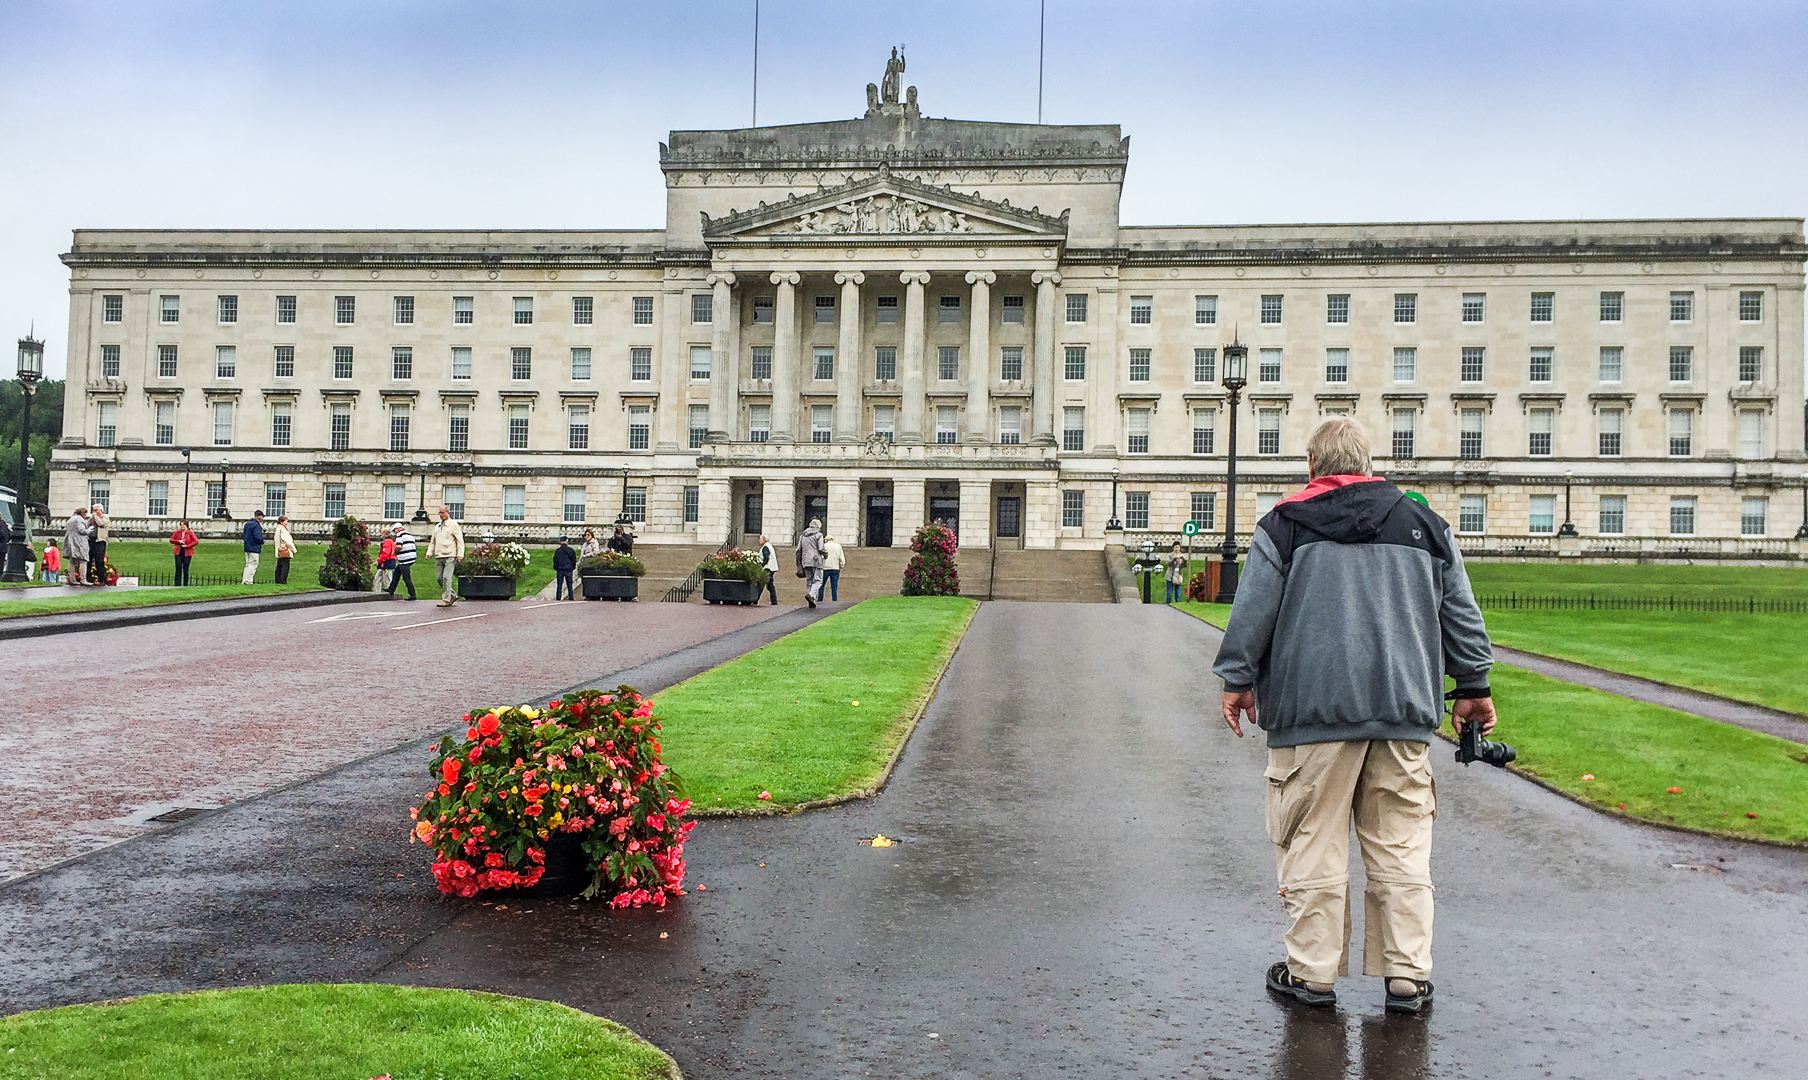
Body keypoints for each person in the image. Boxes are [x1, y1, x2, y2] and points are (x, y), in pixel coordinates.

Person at [1212, 417, 1496, 1015]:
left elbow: (1252, 613)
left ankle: (1312, 974)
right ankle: (1407, 975)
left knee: (1312, 839)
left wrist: (1237, 680)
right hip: (1400, 712)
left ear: (1313, 467)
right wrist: (1472, 685)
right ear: (1368, 466)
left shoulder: (1285, 524)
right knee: (1401, 846)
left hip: (1312, 714)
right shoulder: (1425, 524)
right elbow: (1462, 614)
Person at [429, 505, 465, 607]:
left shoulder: (453, 525)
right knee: (439, 578)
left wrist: (460, 554)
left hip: (450, 555)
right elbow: (433, 542)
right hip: (439, 555)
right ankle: (452, 595)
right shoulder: (437, 527)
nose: (441, 515)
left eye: (443, 513)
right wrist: (429, 553)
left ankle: (446, 599)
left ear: (447, 513)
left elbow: (459, 541)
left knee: (446, 577)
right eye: (440, 513)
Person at [796, 517, 825, 609]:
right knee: (818, 580)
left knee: (809, 580)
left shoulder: (802, 536)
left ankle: (812, 601)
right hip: (816, 560)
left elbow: (798, 550)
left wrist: (798, 563)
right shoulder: (819, 535)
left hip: (805, 561)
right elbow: (820, 548)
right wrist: (825, 553)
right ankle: (811, 595)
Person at [386, 522, 418, 600]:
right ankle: (391, 589)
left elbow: (399, 546)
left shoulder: (400, 535)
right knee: (397, 572)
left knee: (406, 577)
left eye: (394, 530)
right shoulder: (410, 535)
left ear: (398, 529)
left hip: (405, 559)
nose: (394, 532)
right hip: (412, 558)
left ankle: (412, 594)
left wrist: (394, 552)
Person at [63, 508, 91, 587]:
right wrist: (88, 530)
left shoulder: (70, 519)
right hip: (79, 542)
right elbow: (81, 530)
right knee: (83, 560)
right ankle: (83, 579)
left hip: (70, 541)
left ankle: (72, 579)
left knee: (72, 562)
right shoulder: (79, 519)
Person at [169, 520, 199, 585]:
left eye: (184, 526)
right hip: (178, 553)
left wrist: (187, 546)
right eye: (181, 526)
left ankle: (185, 583)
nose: (182, 527)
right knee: (178, 569)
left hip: (187, 553)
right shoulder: (177, 532)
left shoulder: (190, 533)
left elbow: (195, 541)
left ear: (186, 526)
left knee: (186, 569)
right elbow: (171, 540)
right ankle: (177, 584)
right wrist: (178, 541)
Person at [240, 511, 266, 584]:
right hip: (254, 547)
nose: (262, 518)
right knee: (253, 564)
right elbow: (257, 537)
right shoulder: (256, 525)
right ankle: (248, 580)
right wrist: (262, 541)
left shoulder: (247, 524)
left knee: (248, 564)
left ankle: (244, 580)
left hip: (247, 546)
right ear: (258, 516)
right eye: (261, 516)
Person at [89, 503, 110, 585]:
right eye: (93, 510)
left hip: (100, 541)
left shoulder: (105, 517)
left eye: (96, 510)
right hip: (92, 540)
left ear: (101, 510)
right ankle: (89, 578)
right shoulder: (93, 519)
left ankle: (102, 580)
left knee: (99, 561)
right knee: (89, 560)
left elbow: (101, 523)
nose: (94, 512)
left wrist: (96, 517)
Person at [821, 533, 846, 602]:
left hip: (825, 568)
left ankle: (820, 599)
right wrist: (841, 566)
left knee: (821, 585)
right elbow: (841, 558)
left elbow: (821, 557)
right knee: (834, 586)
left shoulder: (824, 546)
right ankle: (834, 600)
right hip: (835, 568)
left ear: (826, 540)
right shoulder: (838, 546)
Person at [553, 536, 578, 600]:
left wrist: (556, 567)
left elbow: (555, 560)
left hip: (560, 569)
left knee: (559, 585)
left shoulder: (558, 551)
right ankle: (571, 598)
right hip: (568, 569)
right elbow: (574, 560)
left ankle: (558, 598)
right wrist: (572, 567)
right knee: (569, 585)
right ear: (567, 542)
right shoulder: (571, 550)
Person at [273, 515, 296, 584]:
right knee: (285, 566)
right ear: (281, 522)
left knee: (279, 565)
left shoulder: (278, 529)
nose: (287, 523)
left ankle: (278, 580)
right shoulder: (282, 530)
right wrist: (294, 549)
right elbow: (287, 541)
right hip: (284, 549)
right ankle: (282, 580)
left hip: (280, 549)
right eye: (286, 521)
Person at [758, 532, 779, 605]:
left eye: (760, 539)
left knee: (761, 584)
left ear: (764, 540)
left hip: (767, 568)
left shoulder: (765, 547)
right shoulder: (769, 546)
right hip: (771, 568)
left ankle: (755, 600)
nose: (759, 540)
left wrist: (762, 565)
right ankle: (774, 601)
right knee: (770, 586)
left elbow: (766, 557)